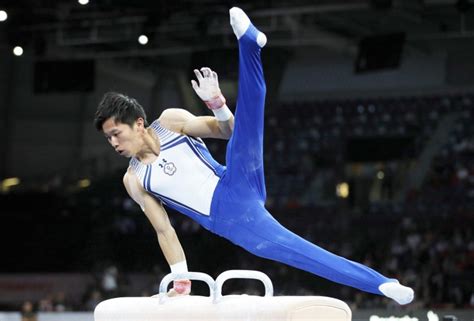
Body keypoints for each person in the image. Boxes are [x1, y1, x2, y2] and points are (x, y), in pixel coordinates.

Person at [94, 7, 414, 305]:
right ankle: (381, 284)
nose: (113, 143)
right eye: (108, 138)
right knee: (304, 254)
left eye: (116, 134)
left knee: (249, 116)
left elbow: (228, 131)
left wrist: (217, 104)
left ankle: (249, 44)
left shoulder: (171, 122)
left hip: (236, 178)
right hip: (232, 219)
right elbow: (164, 230)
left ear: (138, 124)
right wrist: (181, 279)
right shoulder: (134, 179)